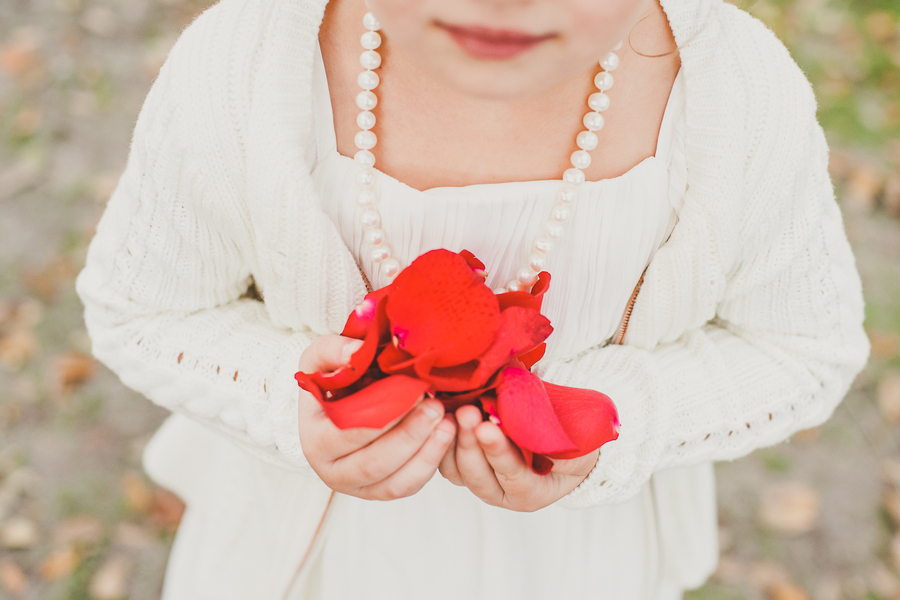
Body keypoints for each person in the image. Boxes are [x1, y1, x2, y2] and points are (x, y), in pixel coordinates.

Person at [74, 0, 870, 597]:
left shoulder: (736, 97)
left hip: (575, 562)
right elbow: (143, 309)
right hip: (302, 553)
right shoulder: (243, 67)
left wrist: (610, 425)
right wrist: (294, 403)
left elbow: (800, 347)